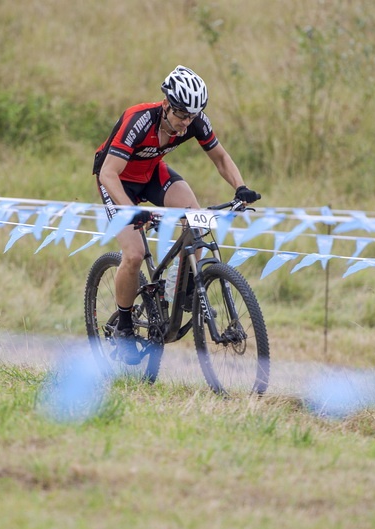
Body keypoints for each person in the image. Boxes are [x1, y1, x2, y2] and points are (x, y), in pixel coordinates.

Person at [93, 65, 261, 363]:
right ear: (166, 104)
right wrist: (131, 212)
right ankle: (125, 323)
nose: (186, 123)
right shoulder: (139, 120)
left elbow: (220, 157)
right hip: (117, 181)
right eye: (181, 115)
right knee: (133, 254)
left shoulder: (194, 120)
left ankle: (180, 289)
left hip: (151, 174)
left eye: (192, 116)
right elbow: (108, 173)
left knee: (195, 220)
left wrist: (241, 187)